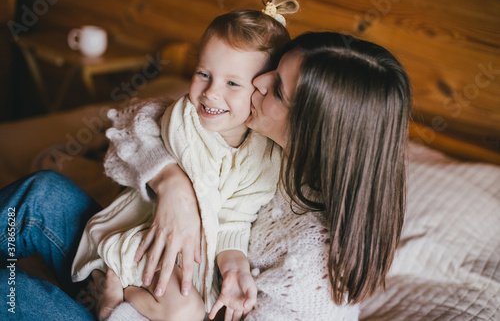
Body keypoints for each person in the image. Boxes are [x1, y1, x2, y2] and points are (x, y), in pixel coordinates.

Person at [0, 31, 411, 321]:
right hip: (135, 265)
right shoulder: (269, 143)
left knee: (12, 293)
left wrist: (118, 310)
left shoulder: (312, 276)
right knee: (43, 193)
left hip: (149, 311)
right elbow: (143, 119)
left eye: (278, 89)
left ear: (314, 131)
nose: (258, 82)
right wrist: (171, 183)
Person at [71, 0, 299, 320]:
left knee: (194, 308)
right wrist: (169, 179)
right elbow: (137, 126)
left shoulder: (263, 159)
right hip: (144, 239)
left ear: (262, 88)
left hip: (191, 259)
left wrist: (235, 267)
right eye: (203, 74)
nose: (210, 92)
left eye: (232, 83)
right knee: (186, 311)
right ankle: (116, 284)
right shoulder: (184, 121)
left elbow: (235, 220)